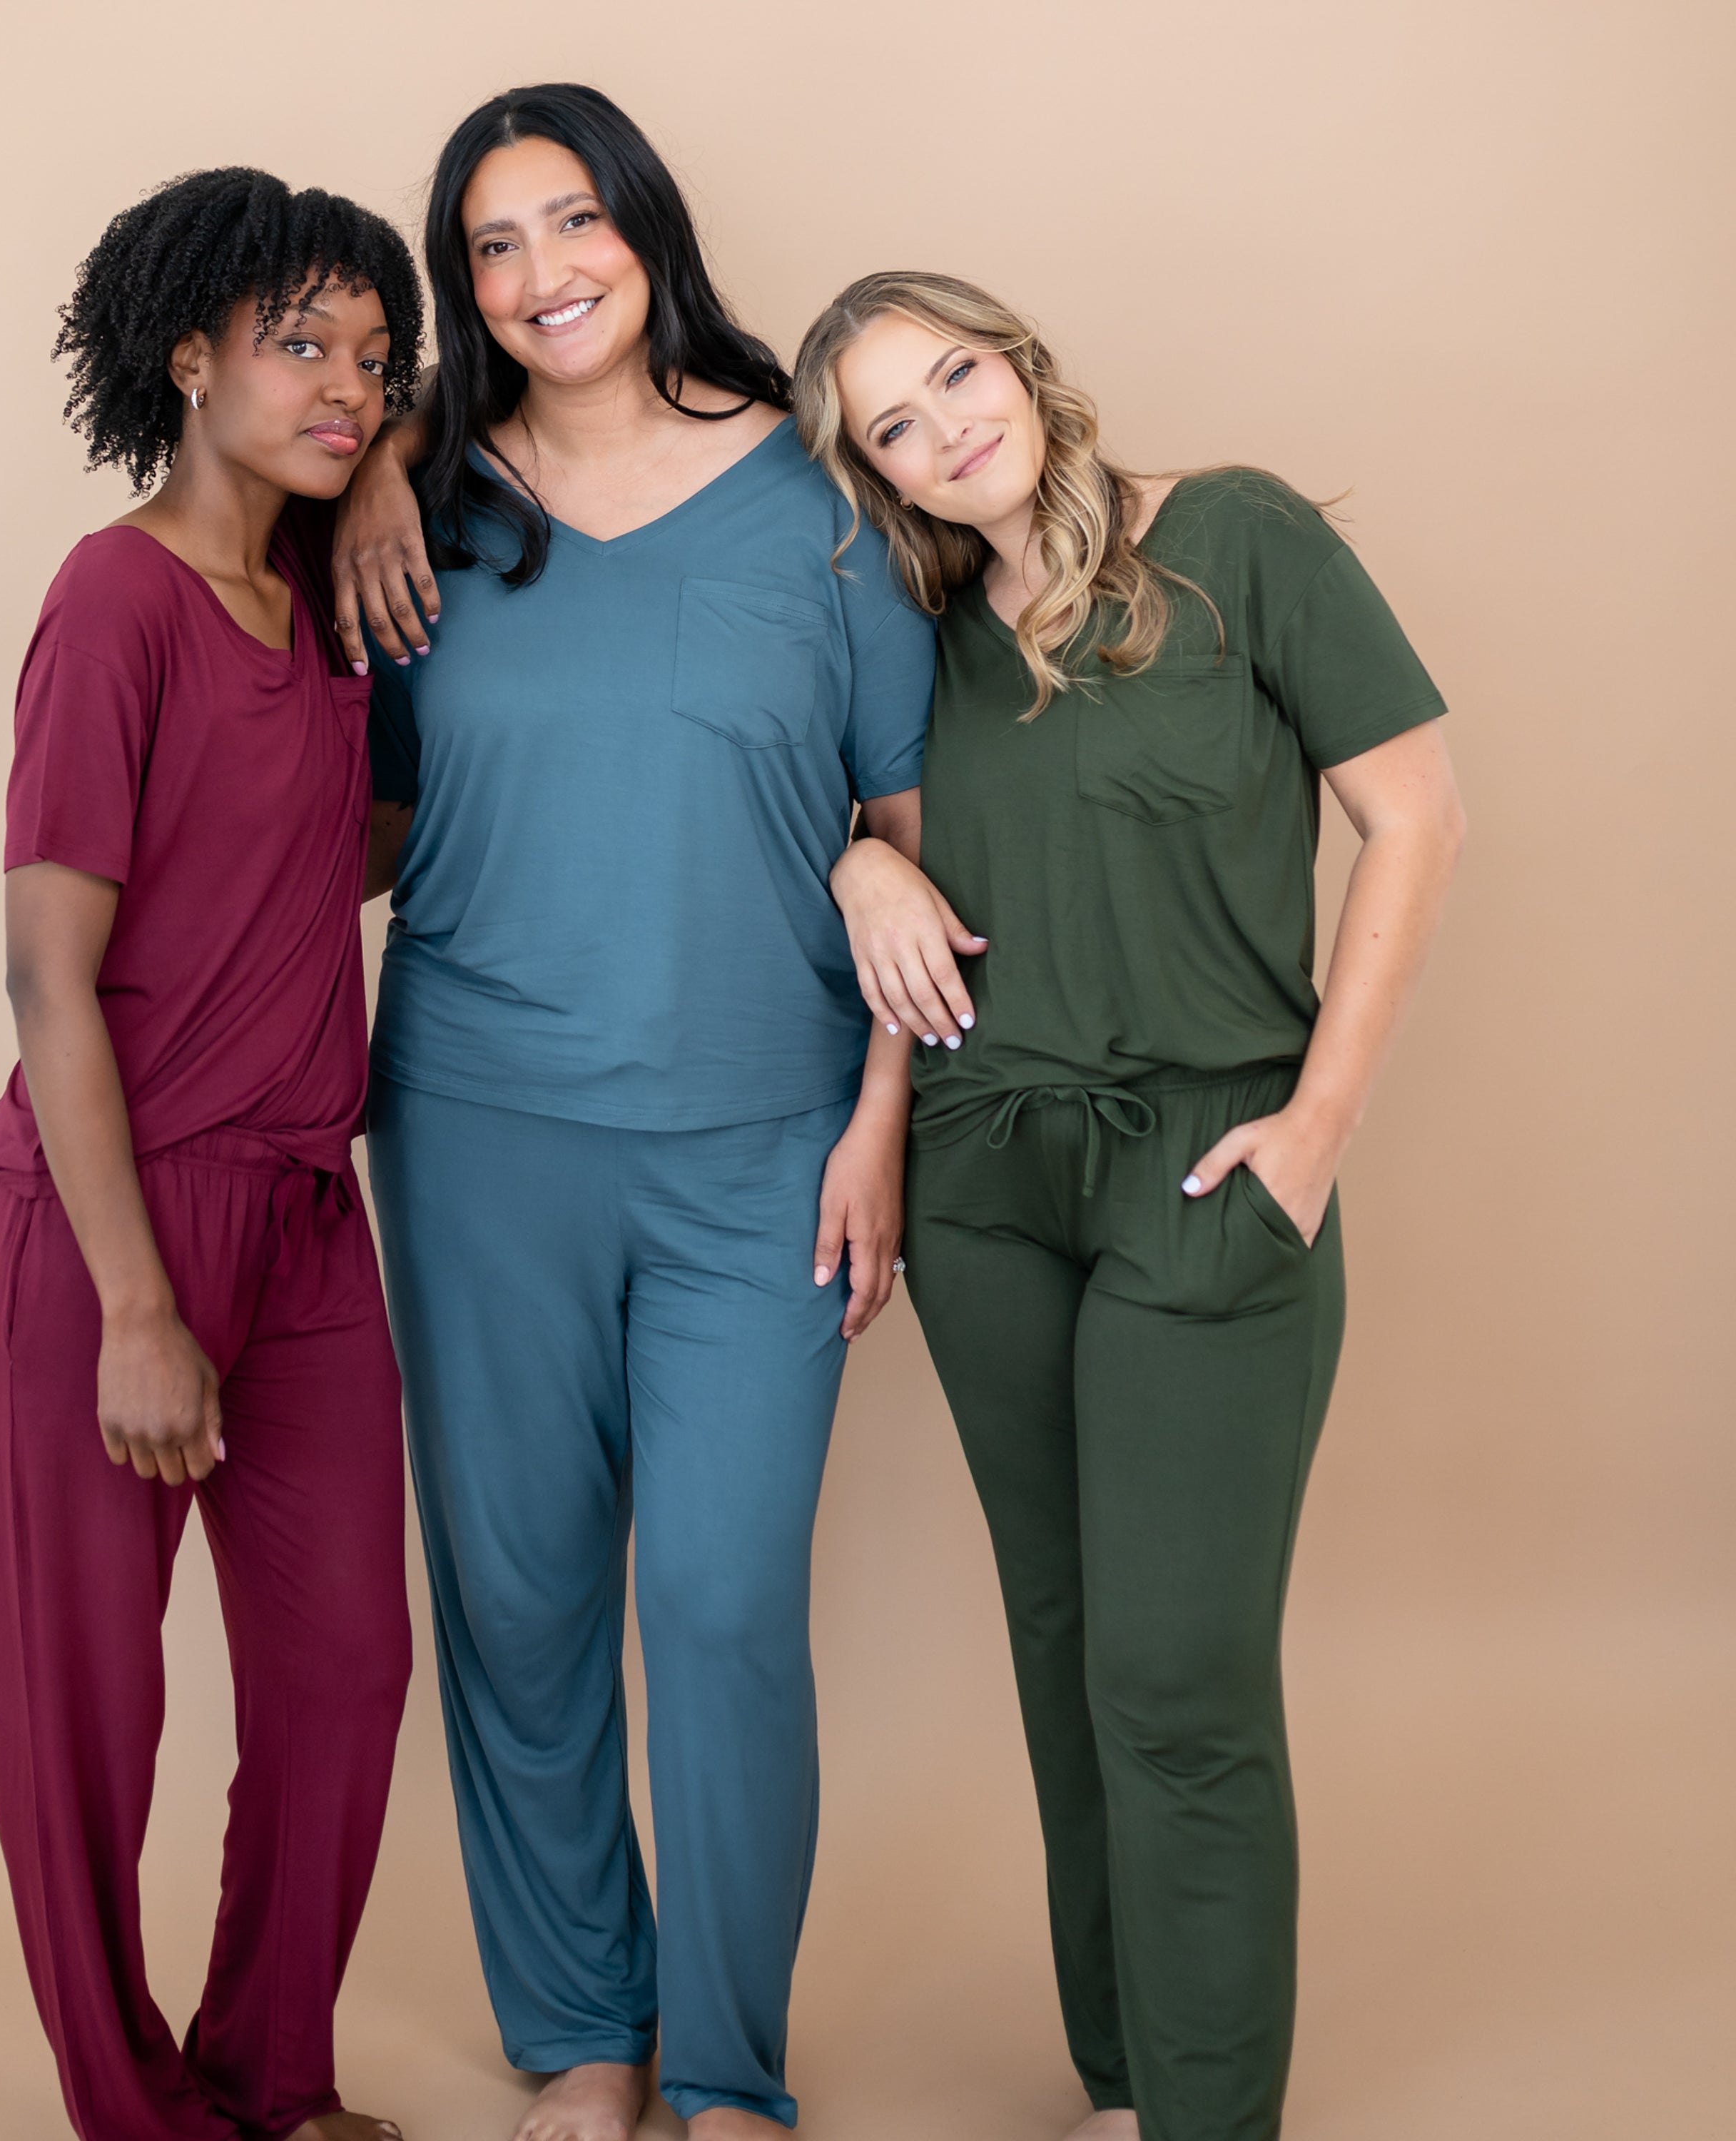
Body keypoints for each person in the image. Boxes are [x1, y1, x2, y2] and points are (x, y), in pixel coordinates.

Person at [796, 271, 1466, 2141]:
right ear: (876, 480)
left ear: (1017, 355)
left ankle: (1208, 2120)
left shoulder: (1235, 540)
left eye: (954, 373)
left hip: (1208, 1160)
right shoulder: (912, 638)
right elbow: (838, 814)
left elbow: (1417, 820)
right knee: (1067, 1644)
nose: (947, 428)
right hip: (989, 1177)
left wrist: (1317, 1128)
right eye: (894, 428)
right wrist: (862, 859)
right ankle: (1127, 2083)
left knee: (1178, 1678)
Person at [329, 84, 933, 2141]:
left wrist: (885, 1125)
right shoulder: (426, 512)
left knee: (723, 1603)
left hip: (768, 1140)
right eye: (491, 247)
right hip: (479, 1124)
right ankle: (587, 2037)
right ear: (459, 288)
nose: (540, 276)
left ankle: (733, 2070)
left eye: (571, 223)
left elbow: (907, 840)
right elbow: (368, 820)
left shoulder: (825, 506)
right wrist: (381, 472)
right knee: (516, 1594)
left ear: (646, 226)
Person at [0, 168, 425, 2141]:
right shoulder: (113, 596)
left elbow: (370, 853)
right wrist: (138, 1304)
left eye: (372, 359)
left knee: (344, 1677)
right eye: (301, 343)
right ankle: (129, 2111)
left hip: (312, 1219)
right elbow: (47, 982)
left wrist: (387, 464)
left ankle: (265, 2070)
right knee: (94, 1717)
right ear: (190, 352)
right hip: (99, 1231)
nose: (340, 385)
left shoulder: (332, 601)